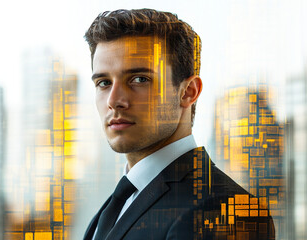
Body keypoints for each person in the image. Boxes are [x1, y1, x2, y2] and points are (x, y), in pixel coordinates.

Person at [83, 9, 275, 240]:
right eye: (103, 82)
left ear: (188, 92)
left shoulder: (225, 212)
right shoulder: (118, 203)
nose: (114, 101)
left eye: (139, 79)